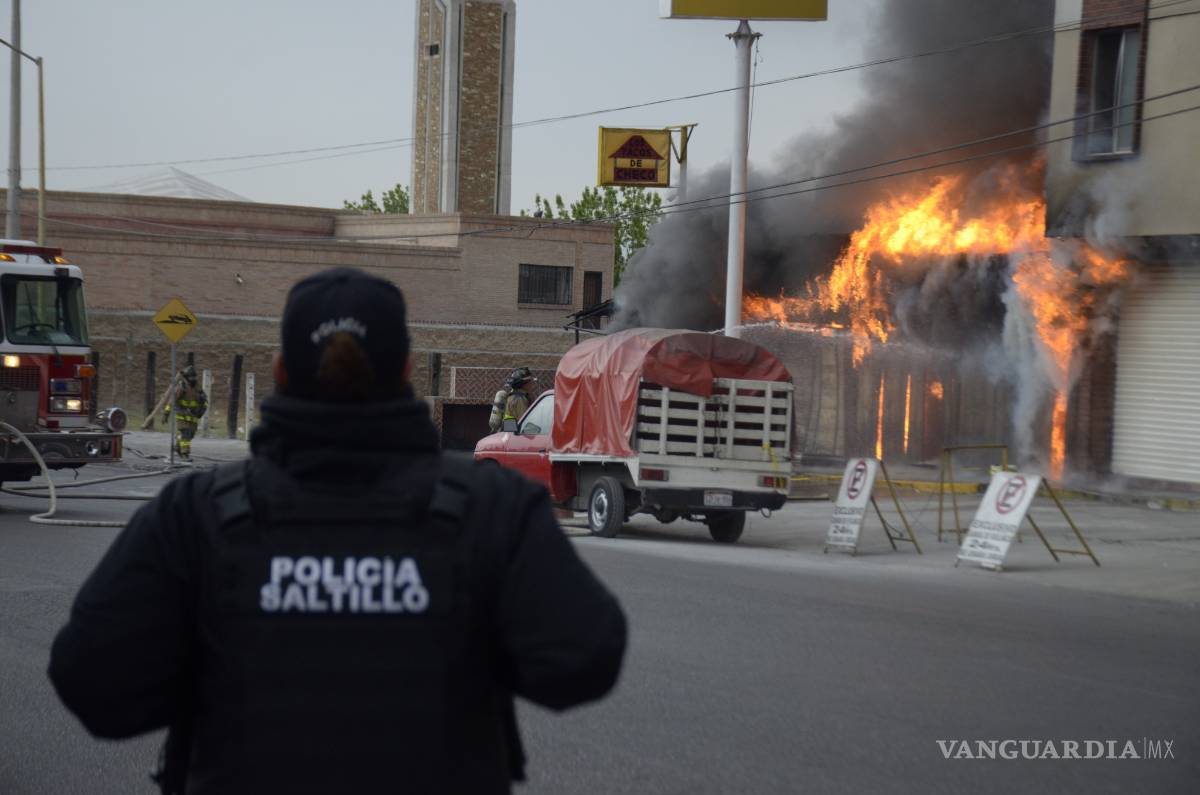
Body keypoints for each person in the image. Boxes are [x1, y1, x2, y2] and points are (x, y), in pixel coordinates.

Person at [48, 267, 627, 794]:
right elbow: (585, 659)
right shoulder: (491, 509)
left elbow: (92, 683)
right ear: (404, 370)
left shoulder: (197, 514)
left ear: (280, 373)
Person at [163, 364, 207, 458]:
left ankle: (177, 447)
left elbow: (205, 402)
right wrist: (166, 413)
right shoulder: (181, 387)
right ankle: (185, 453)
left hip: (193, 416)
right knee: (186, 434)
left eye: (194, 377)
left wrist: (201, 411)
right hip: (182, 415)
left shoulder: (198, 388)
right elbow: (172, 401)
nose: (193, 379)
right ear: (186, 377)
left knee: (190, 435)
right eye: (191, 377)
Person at [488, 367, 536, 432]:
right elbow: (525, 423)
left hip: (508, 432)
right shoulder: (519, 399)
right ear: (524, 384)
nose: (532, 384)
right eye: (530, 381)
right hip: (512, 435)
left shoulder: (513, 395)